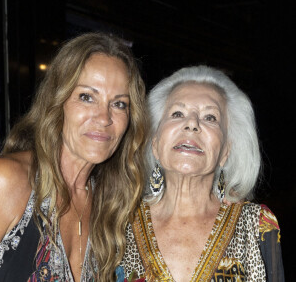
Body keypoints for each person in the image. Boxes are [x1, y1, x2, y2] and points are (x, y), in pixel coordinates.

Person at [0, 32, 147, 282]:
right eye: (87, 97)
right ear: (58, 101)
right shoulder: (7, 181)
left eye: (119, 104)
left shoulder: (111, 205)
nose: (104, 118)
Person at [118, 65, 285, 281]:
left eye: (210, 118)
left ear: (226, 150)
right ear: (155, 144)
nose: (191, 124)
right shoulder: (118, 220)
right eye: (177, 113)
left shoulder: (255, 226)